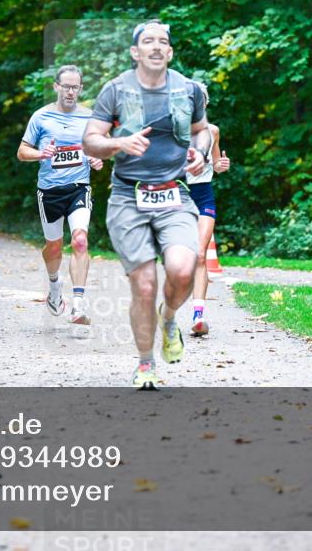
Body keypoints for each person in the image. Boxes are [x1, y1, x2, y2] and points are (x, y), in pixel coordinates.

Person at [82, 20, 211, 389]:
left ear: (169, 52)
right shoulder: (116, 90)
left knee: (184, 269)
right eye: (148, 42)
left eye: (163, 42)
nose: (156, 47)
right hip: (128, 195)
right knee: (145, 284)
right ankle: (145, 365)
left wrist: (200, 154)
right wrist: (118, 145)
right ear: (135, 52)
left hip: (174, 192)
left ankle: (168, 319)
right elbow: (91, 140)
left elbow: (203, 130)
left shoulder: (188, 89)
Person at [18, 65, 103, 325]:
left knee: (79, 240)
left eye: (75, 87)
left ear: (80, 88)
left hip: (79, 187)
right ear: (56, 86)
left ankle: (78, 305)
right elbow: (22, 152)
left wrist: (97, 157)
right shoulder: (41, 117)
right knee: (54, 247)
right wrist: (40, 154)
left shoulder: (90, 117)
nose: (70, 91)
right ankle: (54, 285)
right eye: (65, 86)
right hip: (49, 191)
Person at [185, 108, 231, 336]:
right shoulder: (173, 132)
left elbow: (216, 165)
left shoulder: (212, 131)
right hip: (179, 197)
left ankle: (198, 316)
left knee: (201, 254)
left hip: (203, 196)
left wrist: (220, 165)